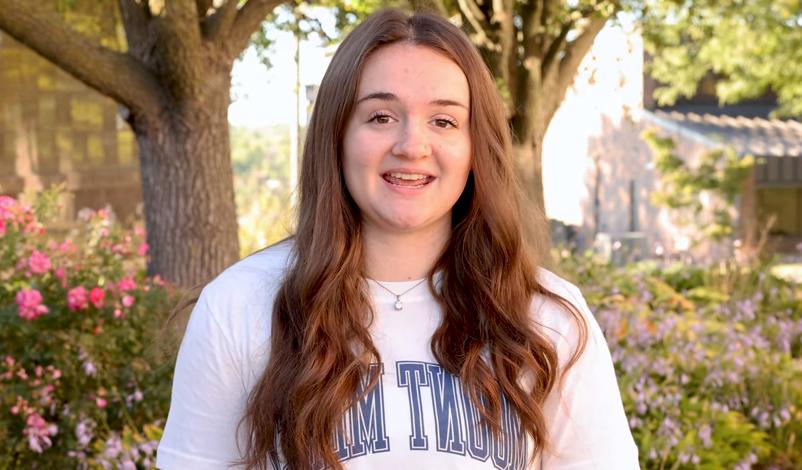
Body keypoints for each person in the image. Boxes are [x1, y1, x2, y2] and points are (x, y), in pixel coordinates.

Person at [156, 8, 638, 470]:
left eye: (444, 121)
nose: (412, 146)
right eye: (381, 117)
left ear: (476, 147)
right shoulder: (239, 308)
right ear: (337, 134)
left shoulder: (548, 320)